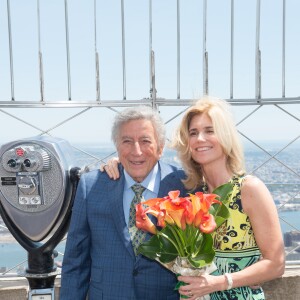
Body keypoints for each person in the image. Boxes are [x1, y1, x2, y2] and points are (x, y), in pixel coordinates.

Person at [101, 96, 285, 300]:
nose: (200, 139)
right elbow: (145, 166)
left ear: (225, 136)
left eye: (209, 130)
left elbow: (276, 264)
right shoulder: (190, 190)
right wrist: (120, 161)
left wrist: (218, 282)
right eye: (193, 133)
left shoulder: (250, 189)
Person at [60, 105, 189, 300]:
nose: (136, 151)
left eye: (145, 141)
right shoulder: (91, 186)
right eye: (127, 141)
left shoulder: (184, 186)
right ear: (117, 146)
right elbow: (75, 262)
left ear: (161, 148)